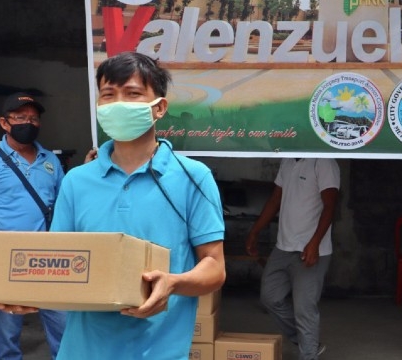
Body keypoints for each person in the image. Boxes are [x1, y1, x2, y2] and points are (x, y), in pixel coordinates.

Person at [46, 52, 225, 359]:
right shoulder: (76, 181)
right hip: (82, 351)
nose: (119, 104)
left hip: (159, 352)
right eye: (108, 95)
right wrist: (22, 294)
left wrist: (172, 283)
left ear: (160, 108)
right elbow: (56, 264)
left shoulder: (193, 178)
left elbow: (215, 267)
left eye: (132, 94)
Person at [0, 93, 66, 360]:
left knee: (65, 332)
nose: (28, 123)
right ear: (4, 123)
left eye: (33, 118)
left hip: (50, 260)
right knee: (7, 339)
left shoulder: (51, 161)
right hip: (5, 261)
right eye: (20, 117)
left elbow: (63, 207)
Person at [246, 158, 340, 360]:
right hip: (283, 246)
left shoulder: (323, 162)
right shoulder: (287, 159)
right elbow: (275, 198)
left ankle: (308, 354)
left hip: (311, 250)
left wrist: (314, 243)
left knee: (304, 309)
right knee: (270, 297)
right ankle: (308, 343)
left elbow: (330, 206)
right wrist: (255, 231)